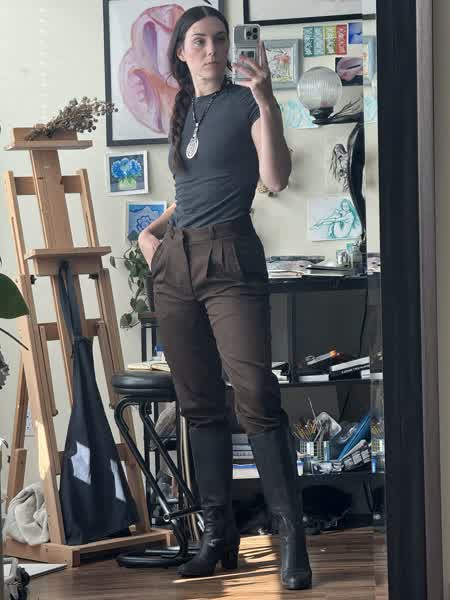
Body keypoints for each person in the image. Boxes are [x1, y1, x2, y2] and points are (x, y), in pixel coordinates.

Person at [138, 5, 311, 591]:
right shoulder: (184, 108)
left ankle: (290, 538)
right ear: (182, 52)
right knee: (199, 405)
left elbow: (275, 178)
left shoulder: (246, 103)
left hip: (231, 258)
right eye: (199, 41)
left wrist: (267, 100)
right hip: (177, 263)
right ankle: (218, 537)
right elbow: (191, 189)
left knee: (257, 395)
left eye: (219, 39)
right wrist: (151, 235)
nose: (212, 49)